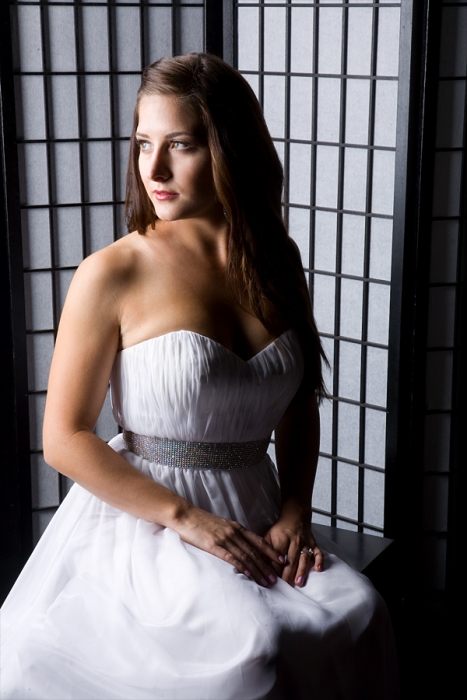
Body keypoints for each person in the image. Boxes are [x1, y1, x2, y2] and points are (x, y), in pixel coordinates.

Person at [0, 53, 398, 699]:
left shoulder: (276, 259)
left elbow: (298, 401)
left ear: (230, 150)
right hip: (149, 520)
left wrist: (295, 509)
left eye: (180, 145)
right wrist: (187, 519)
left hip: (259, 511)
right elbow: (64, 438)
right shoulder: (112, 272)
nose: (153, 169)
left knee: (361, 613)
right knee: (249, 656)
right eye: (143, 144)